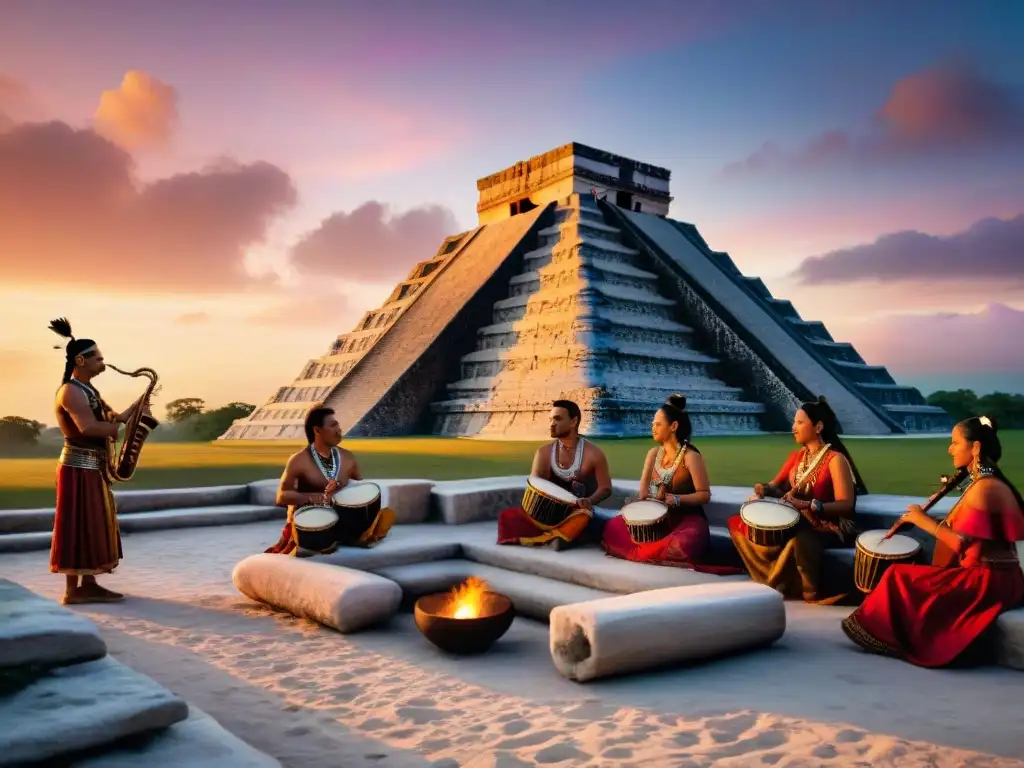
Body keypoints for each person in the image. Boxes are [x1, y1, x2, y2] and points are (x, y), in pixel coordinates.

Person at [842, 416, 1024, 667]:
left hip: (986, 581)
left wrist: (920, 518)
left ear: (976, 448)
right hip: (1001, 577)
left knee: (898, 575)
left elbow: (959, 542)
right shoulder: (989, 483)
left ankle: (887, 637)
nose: (950, 449)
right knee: (916, 575)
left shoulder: (985, 488)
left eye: (955, 442)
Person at [47, 317, 149, 605]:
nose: (104, 363)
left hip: (93, 466)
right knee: (76, 524)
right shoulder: (70, 390)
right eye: (99, 358)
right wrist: (116, 430)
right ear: (81, 359)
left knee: (92, 522)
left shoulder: (89, 390)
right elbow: (88, 428)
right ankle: (72, 590)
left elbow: (113, 418)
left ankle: (88, 584)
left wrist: (139, 404)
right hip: (77, 467)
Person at [726, 396, 867, 603]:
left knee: (800, 539)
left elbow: (846, 504)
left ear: (818, 427)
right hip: (796, 519)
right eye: (795, 422)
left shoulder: (835, 460)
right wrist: (763, 490)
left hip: (828, 525)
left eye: (800, 422)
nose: (794, 427)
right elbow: (776, 486)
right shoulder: (797, 457)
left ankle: (810, 591)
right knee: (737, 523)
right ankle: (773, 580)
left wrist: (811, 505)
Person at [602, 394, 737, 573]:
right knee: (613, 526)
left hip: (686, 520)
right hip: (657, 520)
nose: (653, 428)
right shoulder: (652, 454)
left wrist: (675, 499)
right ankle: (652, 550)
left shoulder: (691, 457)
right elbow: (643, 493)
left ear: (673, 426)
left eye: (658, 424)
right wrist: (635, 504)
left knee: (686, 541)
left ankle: (650, 551)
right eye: (652, 424)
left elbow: (704, 494)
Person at [264, 406, 394, 556]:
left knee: (385, 516)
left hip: (342, 517)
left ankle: (355, 535)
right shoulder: (299, 460)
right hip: (311, 519)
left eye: (338, 424)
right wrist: (316, 497)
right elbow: (282, 496)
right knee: (319, 537)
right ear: (317, 431)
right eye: (333, 425)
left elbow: (360, 489)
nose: (339, 430)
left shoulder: (348, 458)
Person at [496, 400, 613, 550]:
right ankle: (557, 537)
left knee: (584, 517)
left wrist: (589, 501)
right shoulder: (543, 453)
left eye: (557, 419)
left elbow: (606, 488)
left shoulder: (594, 454)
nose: (552, 424)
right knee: (507, 517)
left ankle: (558, 536)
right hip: (545, 516)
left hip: (577, 513)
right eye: (551, 419)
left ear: (574, 421)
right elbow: (536, 486)